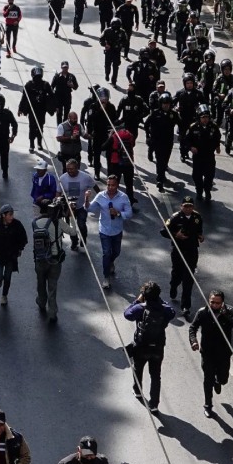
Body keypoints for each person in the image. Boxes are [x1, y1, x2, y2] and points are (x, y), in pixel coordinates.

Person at [188, 290, 233, 417]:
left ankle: (218, 381)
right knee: (207, 379)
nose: (214, 305)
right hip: (207, 353)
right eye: (212, 302)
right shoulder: (202, 312)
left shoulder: (230, 311)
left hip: (223, 353)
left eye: (217, 303)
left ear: (222, 302)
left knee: (223, 378)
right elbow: (193, 327)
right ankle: (208, 405)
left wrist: (226, 316)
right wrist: (193, 341)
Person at [123, 281, 175, 412]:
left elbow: (127, 314)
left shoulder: (140, 308)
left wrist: (137, 300)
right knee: (156, 375)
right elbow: (172, 312)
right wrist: (160, 301)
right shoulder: (165, 310)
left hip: (141, 346)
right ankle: (154, 404)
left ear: (144, 295)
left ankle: (138, 390)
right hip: (158, 347)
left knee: (138, 369)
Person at [31, 198, 79, 322]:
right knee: (52, 286)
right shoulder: (58, 222)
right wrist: (72, 216)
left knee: (40, 282)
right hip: (55, 260)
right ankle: (52, 312)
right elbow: (73, 232)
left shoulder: (35, 223)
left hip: (40, 259)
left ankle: (41, 302)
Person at [86, 175, 133, 290]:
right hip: (104, 230)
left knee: (116, 252)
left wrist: (118, 213)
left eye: (113, 185)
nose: (110, 187)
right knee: (106, 253)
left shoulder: (123, 197)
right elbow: (89, 209)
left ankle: (111, 262)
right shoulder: (100, 196)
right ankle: (106, 277)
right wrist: (86, 199)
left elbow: (129, 213)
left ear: (117, 185)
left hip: (117, 230)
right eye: (108, 185)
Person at [164, 196, 204, 318]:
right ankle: (173, 285)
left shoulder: (197, 217)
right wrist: (176, 234)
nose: (188, 208)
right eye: (185, 206)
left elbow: (199, 230)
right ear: (181, 207)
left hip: (192, 251)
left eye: (190, 206)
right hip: (178, 251)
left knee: (189, 278)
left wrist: (200, 236)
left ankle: (185, 306)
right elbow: (164, 231)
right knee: (177, 274)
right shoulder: (175, 218)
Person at [0, 205, 27, 304]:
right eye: (9, 215)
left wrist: (20, 248)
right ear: (3, 215)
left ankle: (4, 295)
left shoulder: (17, 224)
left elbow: (24, 238)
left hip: (11, 257)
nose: (11, 217)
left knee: (7, 277)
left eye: (12, 215)